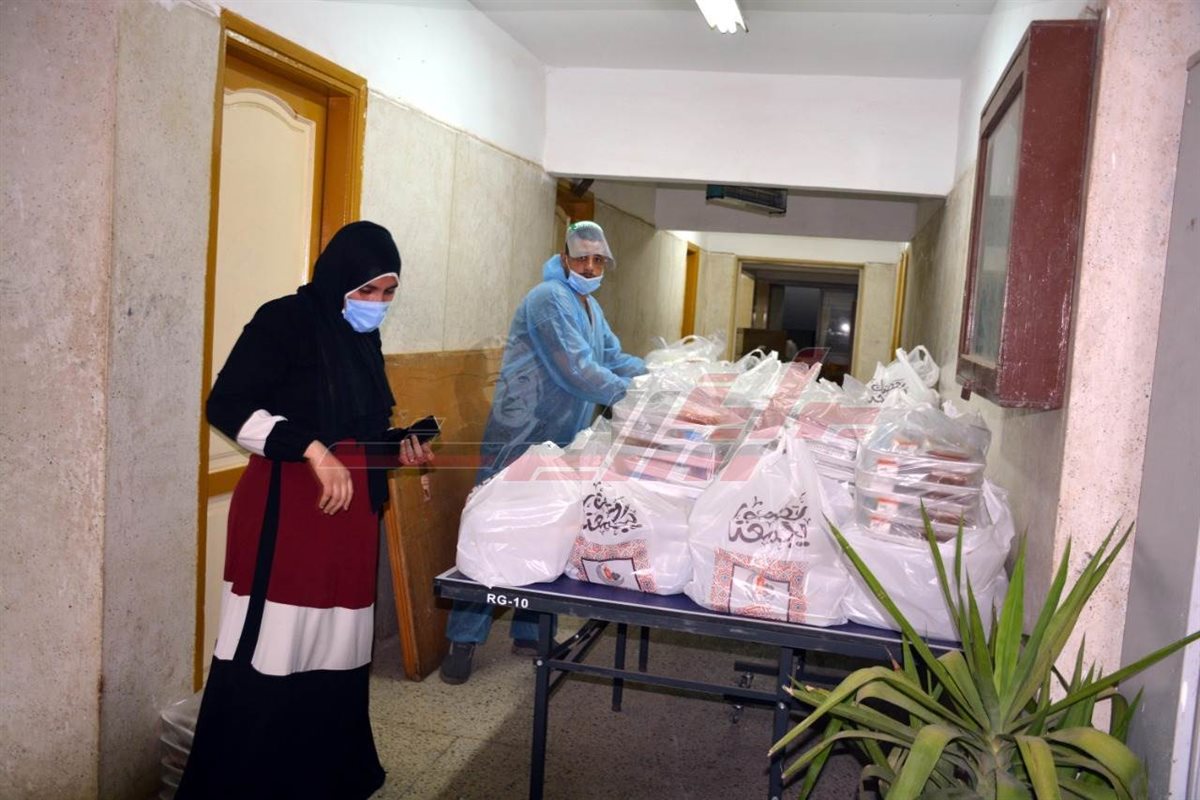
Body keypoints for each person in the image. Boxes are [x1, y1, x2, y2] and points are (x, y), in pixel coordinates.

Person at [177, 221, 434, 799]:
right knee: (277, 648)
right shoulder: (284, 321)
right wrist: (311, 448)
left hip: (348, 526)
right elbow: (227, 405)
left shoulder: (361, 339)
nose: (377, 303)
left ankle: (320, 781)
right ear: (338, 278)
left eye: (388, 292)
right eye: (367, 290)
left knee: (335, 648)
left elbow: (356, 428)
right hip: (288, 516)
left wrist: (399, 446)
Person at [440, 220, 645, 685]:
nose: (589, 267)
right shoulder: (548, 299)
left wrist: (658, 376)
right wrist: (631, 396)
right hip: (520, 436)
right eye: (582, 258)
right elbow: (578, 370)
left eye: (598, 260)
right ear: (565, 257)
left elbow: (613, 358)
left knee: (547, 531)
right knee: (492, 532)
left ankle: (530, 632)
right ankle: (463, 640)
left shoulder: (590, 307)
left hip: (562, 439)